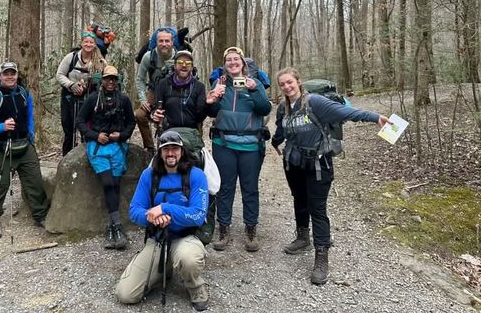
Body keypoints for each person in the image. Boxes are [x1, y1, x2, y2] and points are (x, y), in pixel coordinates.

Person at [271, 67, 391, 285]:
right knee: (300, 201)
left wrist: (375, 118)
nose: (287, 87)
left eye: (290, 82)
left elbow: (346, 113)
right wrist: (274, 142)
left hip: (319, 164)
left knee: (317, 208)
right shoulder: (283, 108)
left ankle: (321, 256)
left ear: (299, 82)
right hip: (294, 164)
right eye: (282, 84)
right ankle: (302, 238)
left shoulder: (315, 102)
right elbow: (282, 130)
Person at [116, 130, 209, 311]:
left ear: (182, 151)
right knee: (125, 294)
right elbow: (134, 211)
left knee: (188, 259)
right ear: (159, 152)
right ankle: (164, 268)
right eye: (166, 149)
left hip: (184, 238)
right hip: (157, 239)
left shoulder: (196, 175)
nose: (170, 153)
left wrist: (165, 209)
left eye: (175, 148)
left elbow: (198, 215)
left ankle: (196, 287)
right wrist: (152, 217)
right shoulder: (149, 175)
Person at [206, 46, 271, 252]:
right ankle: (223, 228)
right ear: (225, 65)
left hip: (251, 145)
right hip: (223, 143)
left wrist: (254, 90)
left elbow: (265, 109)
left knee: (250, 188)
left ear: (243, 63)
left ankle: (251, 229)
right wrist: (214, 98)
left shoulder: (256, 83)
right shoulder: (220, 82)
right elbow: (211, 112)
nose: (233, 63)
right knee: (225, 187)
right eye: (229, 60)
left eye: (236, 60)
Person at [0, 61, 50, 239]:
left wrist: (31, 134)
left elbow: (29, 118)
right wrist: (2, 127)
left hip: (24, 146)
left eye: (13, 73)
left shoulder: (24, 93)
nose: (10, 76)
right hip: (2, 148)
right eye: (6, 74)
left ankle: (40, 215)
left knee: (34, 181)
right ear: (0, 76)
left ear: (17, 75)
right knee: (0, 185)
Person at [76, 65, 135, 250]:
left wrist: (122, 135)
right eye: (107, 78)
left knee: (116, 185)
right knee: (108, 183)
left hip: (117, 146)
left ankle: (113, 228)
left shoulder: (123, 99)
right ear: (101, 80)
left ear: (117, 81)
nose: (110, 82)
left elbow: (131, 122)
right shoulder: (93, 99)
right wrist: (95, 135)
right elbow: (79, 120)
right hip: (98, 146)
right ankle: (117, 226)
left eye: (113, 79)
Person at [56, 30, 105, 155]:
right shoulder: (71, 57)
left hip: (89, 99)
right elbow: (60, 75)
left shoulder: (100, 61)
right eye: (86, 42)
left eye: (91, 42)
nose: (88, 44)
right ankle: (66, 159)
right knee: (69, 130)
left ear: (95, 44)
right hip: (69, 98)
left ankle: (87, 158)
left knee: (87, 130)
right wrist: (71, 85)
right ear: (81, 43)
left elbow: (105, 78)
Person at [151, 50, 207, 151]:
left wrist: (207, 104)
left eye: (188, 63)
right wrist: (155, 114)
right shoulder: (163, 84)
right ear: (175, 65)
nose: (184, 66)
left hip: (191, 133)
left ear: (192, 67)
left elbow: (201, 116)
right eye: (180, 63)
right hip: (168, 132)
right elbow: (155, 107)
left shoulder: (199, 87)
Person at [135, 28, 176, 154]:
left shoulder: (179, 56)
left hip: (173, 92)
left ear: (172, 42)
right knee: (140, 115)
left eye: (167, 41)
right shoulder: (149, 57)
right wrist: (143, 100)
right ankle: (150, 148)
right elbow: (140, 79)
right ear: (156, 42)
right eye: (161, 41)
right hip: (153, 92)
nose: (164, 44)